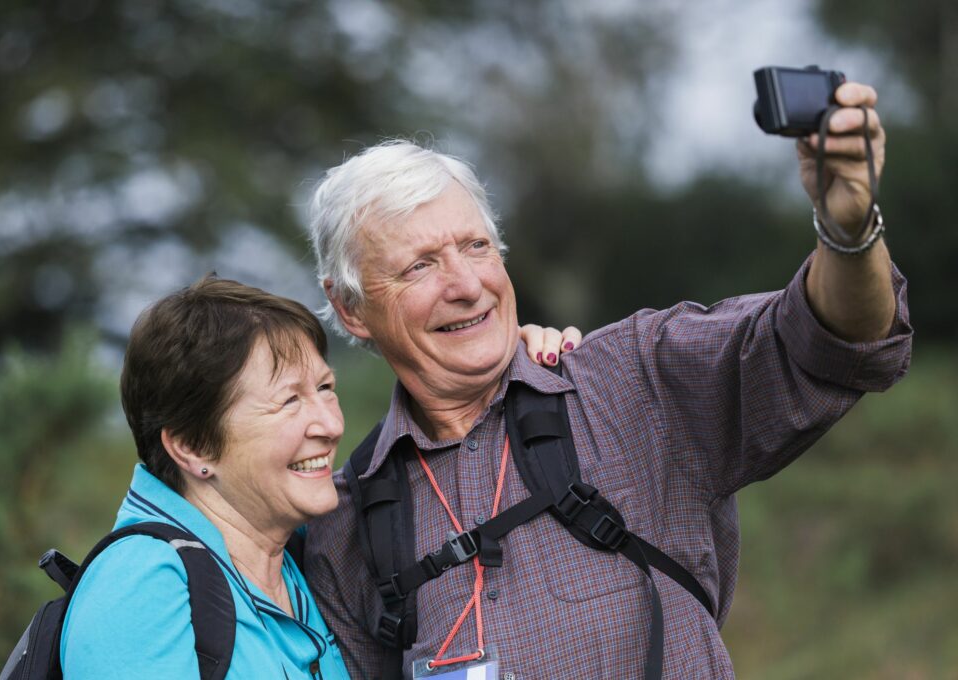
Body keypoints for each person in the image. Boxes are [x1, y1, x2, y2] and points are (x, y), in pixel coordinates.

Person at [302, 81, 913, 678]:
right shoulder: (343, 523)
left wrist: (850, 232)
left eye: (477, 246)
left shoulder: (633, 380)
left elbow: (826, 339)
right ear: (352, 308)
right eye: (420, 265)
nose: (466, 285)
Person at [59, 275, 577, 679]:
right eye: (288, 401)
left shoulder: (302, 558)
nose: (331, 425)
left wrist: (504, 367)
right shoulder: (144, 586)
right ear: (193, 446)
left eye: (325, 388)